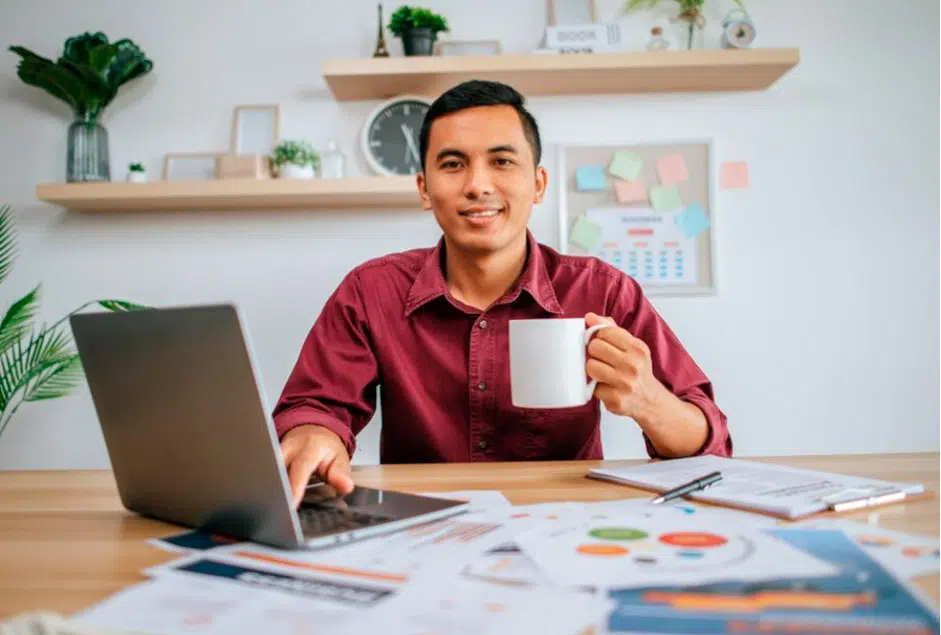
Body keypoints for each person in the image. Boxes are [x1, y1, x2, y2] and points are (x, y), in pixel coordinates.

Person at [273, 80, 732, 507]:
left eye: (502, 161)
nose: (477, 185)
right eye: (452, 165)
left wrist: (647, 398)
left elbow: (711, 445)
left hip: (567, 522)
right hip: (423, 526)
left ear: (537, 185)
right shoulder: (372, 290)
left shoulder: (601, 290)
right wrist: (316, 433)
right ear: (424, 189)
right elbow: (316, 406)